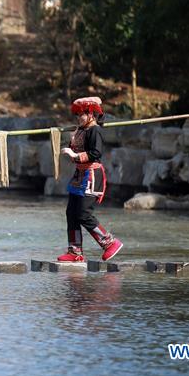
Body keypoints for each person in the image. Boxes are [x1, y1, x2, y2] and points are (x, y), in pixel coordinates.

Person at [57, 96, 123, 262]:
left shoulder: (95, 131)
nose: (79, 118)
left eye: (82, 114)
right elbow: (75, 152)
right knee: (71, 212)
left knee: (83, 213)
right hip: (79, 175)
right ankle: (75, 251)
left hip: (92, 176)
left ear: (92, 115)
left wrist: (74, 154)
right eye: (77, 115)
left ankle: (109, 242)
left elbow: (95, 153)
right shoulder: (81, 130)